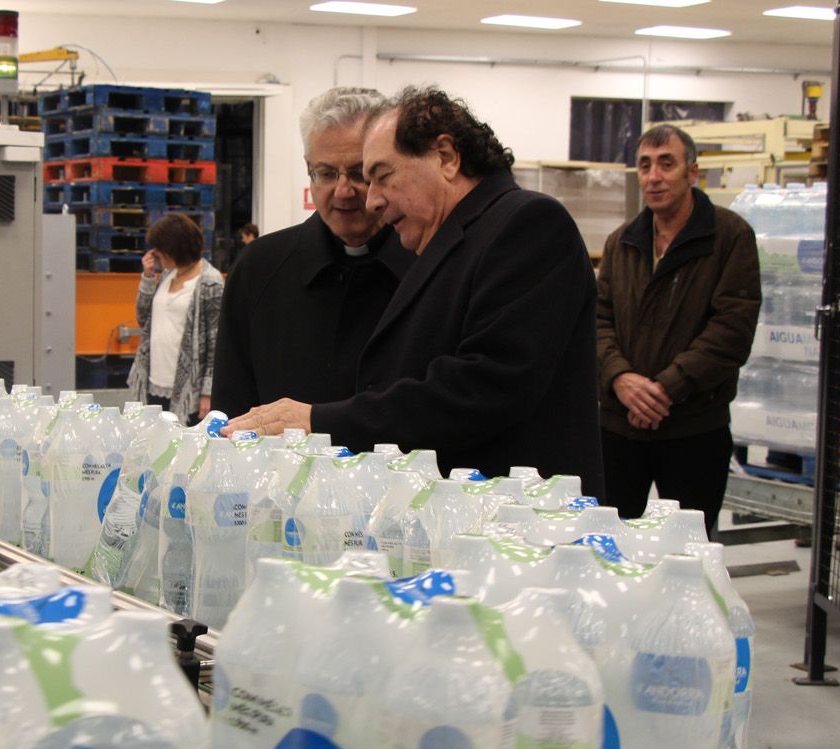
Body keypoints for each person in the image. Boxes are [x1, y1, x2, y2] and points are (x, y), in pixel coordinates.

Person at [224, 85, 605, 496]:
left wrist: (322, 421)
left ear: (445, 156)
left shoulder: (527, 225)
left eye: (380, 176)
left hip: (523, 524)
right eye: (328, 173)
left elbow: (482, 387)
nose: (370, 200)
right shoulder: (448, 242)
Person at [210, 87, 415, 417]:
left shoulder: (429, 266)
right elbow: (230, 407)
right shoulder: (259, 268)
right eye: (326, 173)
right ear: (309, 169)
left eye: (359, 173)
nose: (343, 191)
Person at [596, 124, 760, 536]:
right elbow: (597, 322)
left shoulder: (729, 237)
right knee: (610, 544)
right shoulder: (622, 242)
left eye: (667, 164)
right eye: (645, 165)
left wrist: (667, 387)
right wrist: (620, 378)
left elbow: (732, 329)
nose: (654, 177)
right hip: (619, 428)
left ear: (692, 173)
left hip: (693, 428)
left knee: (691, 550)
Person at [125, 212, 224, 421]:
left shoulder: (210, 282)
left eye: (160, 250)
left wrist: (207, 393)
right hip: (154, 381)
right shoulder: (167, 276)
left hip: (188, 390)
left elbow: (216, 343)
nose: (156, 254)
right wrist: (148, 277)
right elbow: (143, 319)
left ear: (173, 249)